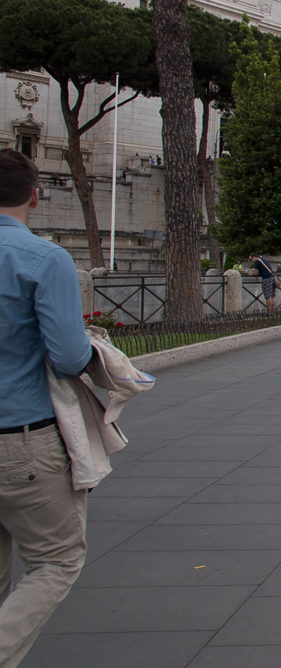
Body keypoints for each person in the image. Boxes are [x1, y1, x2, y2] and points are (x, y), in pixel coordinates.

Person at [0, 149, 95, 665]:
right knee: (57, 559)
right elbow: (69, 356)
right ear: (35, 197)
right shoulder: (42, 258)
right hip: (21, 437)